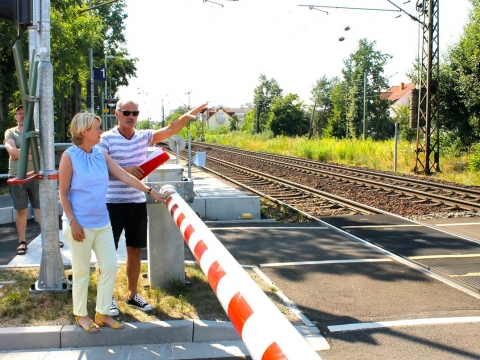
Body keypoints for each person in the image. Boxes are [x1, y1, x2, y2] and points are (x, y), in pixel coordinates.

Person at [59, 112, 173, 332]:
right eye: (97, 128)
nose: (101, 132)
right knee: (82, 272)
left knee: (110, 266)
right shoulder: (69, 156)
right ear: (84, 131)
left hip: (102, 222)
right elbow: (63, 194)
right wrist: (72, 221)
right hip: (79, 224)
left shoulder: (101, 154)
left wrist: (151, 192)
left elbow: (126, 176)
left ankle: (102, 313)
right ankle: (81, 315)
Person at [98, 99, 207, 316]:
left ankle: (131, 295)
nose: (131, 116)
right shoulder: (106, 139)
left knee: (135, 251)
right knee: (107, 254)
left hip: (136, 202)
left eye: (135, 112)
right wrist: (124, 169)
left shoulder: (143, 136)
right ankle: (106, 298)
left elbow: (169, 129)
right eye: (126, 112)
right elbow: (99, 168)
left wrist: (188, 115)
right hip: (112, 203)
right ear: (117, 114)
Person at [3, 105, 63, 255]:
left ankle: (50, 239)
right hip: (17, 176)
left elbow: (42, 152)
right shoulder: (11, 132)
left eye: (25, 113)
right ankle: (22, 241)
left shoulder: (35, 133)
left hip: (36, 175)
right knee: (21, 209)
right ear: (15, 116)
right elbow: (12, 151)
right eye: (19, 113)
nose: (22, 116)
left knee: (41, 208)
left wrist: (21, 153)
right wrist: (32, 154)